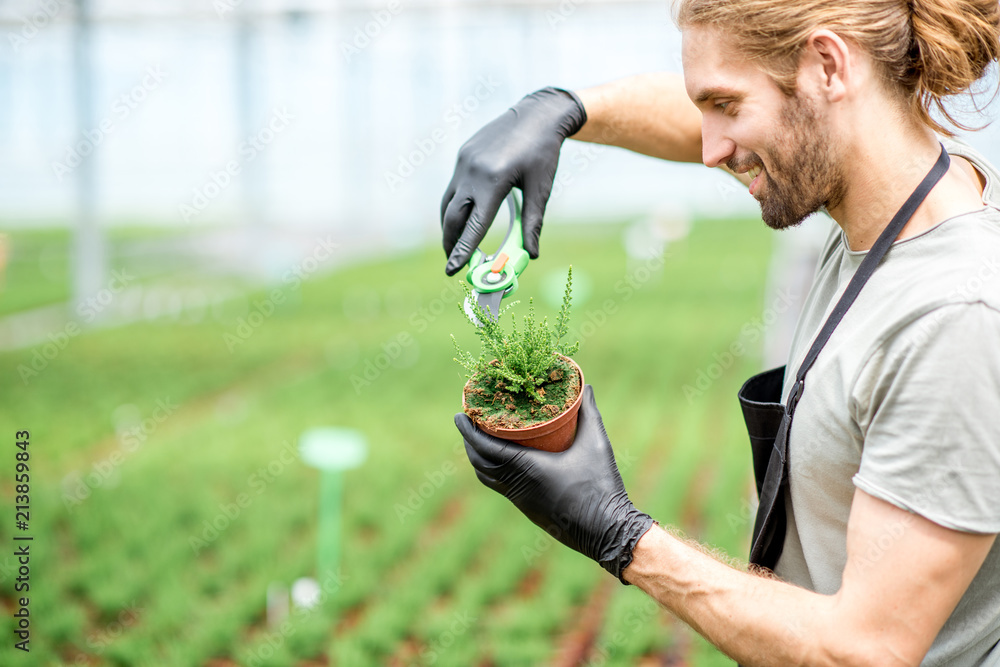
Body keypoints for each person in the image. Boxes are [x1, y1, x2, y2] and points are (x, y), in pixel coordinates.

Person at [442, 0, 1000, 665]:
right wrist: (561, 109)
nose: (708, 149)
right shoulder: (883, 191)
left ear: (827, 64)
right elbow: (734, 115)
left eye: (726, 106)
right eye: (706, 107)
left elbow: (865, 650)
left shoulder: (954, 316)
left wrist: (620, 534)